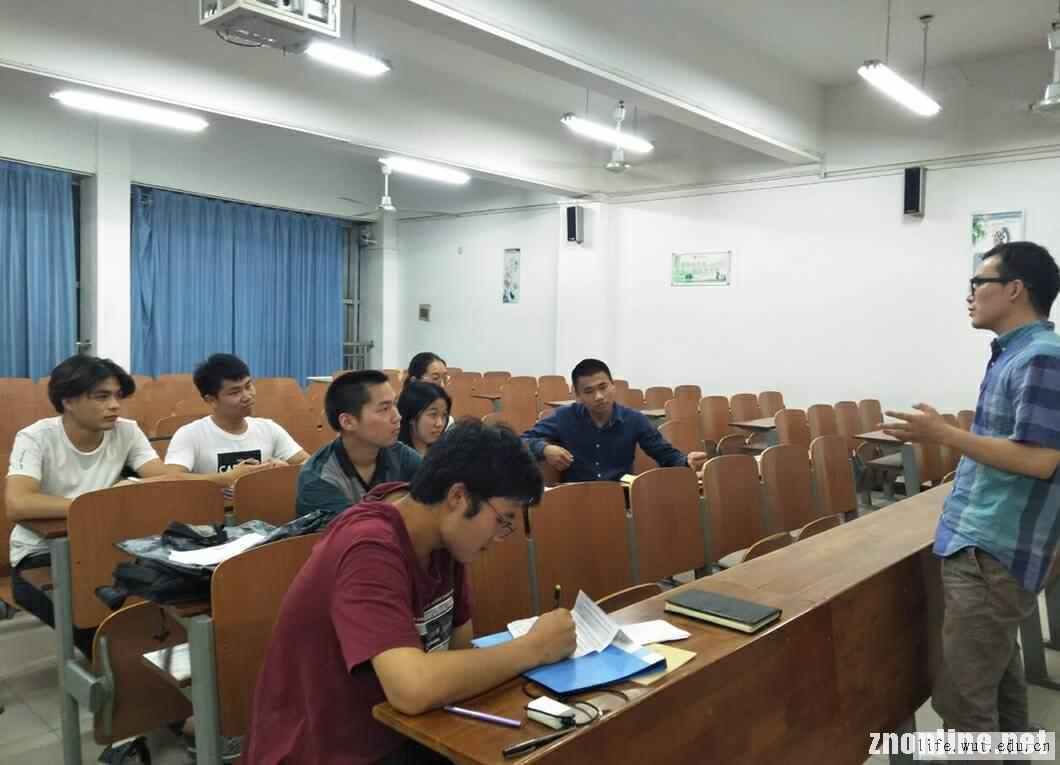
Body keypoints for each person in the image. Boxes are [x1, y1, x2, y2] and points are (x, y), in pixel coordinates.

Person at [244, 420, 576, 765]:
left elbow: (458, 651)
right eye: (502, 521)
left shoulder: (446, 540)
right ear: (457, 497)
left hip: (404, 733)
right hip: (325, 751)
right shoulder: (368, 547)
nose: (499, 537)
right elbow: (412, 689)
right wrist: (535, 647)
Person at [882, 241, 1060, 736]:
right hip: (987, 542)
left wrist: (943, 434)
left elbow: (1041, 460)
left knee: (963, 704)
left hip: (993, 550)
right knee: (998, 683)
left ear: (1015, 289)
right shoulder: (1017, 354)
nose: (970, 294)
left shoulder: (1040, 358)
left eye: (979, 282)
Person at [5, 355, 183, 656]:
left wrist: (222, 479)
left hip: (107, 547)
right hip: (40, 557)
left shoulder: (126, 431)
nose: (114, 405)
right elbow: (18, 503)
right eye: (101, 397)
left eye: (117, 396)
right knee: (105, 638)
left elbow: (164, 478)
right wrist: (99, 504)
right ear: (68, 401)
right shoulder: (36, 437)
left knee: (172, 600)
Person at [521, 358, 708, 482]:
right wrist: (544, 449)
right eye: (589, 391)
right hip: (576, 498)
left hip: (620, 498)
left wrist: (686, 461)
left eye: (603, 387)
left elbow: (666, 454)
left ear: (613, 386)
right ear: (577, 396)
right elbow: (521, 441)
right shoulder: (563, 417)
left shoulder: (634, 419)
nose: (599, 396)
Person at [164, 354, 308, 485]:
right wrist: (227, 478)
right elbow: (172, 479)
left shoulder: (269, 428)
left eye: (248, 386)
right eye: (235, 392)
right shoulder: (190, 434)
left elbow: (309, 465)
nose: (247, 396)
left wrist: (285, 469)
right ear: (211, 400)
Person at [296, 370, 423, 518]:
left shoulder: (399, 455)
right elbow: (358, 527)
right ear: (348, 422)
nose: (397, 417)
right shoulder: (318, 479)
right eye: (384, 409)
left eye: (395, 404)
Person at [397, 382, 452, 456]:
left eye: (444, 415)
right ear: (412, 416)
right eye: (433, 414)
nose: (440, 423)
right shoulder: (395, 456)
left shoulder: (446, 454)